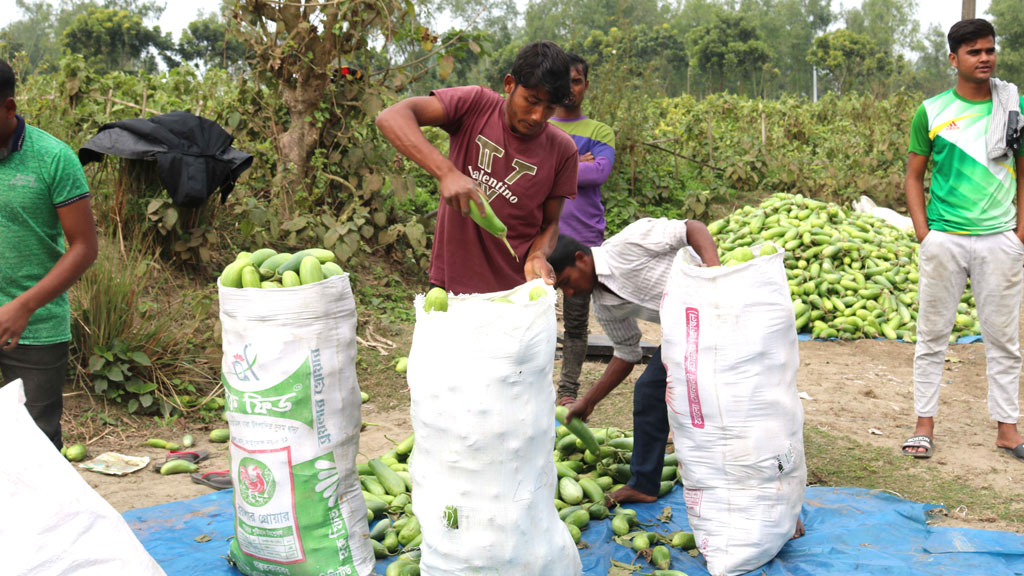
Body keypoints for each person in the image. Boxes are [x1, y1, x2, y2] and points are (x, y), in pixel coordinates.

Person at [901, 19, 1024, 463]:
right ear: (954, 59)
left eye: (989, 50)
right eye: (973, 52)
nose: (985, 58)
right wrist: (924, 234)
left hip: (999, 241)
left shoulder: (1014, 107)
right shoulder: (931, 112)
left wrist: (1018, 236)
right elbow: (914, 176)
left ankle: (1008, 431)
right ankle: (923, 424)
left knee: (1004, 340)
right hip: (945, 240)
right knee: (932, 335)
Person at [375, 41, 579, 295]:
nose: (538, 116)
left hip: (513, 293)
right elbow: (391, 117)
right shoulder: (476, 105)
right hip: (449, 285)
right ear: (509, 84)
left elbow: (550, 224)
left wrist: (538, 255)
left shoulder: (563, 150)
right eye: (532, 100)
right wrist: (446, 172)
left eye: (549, 108)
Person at [551, 218, 720, 504]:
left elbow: (692, 229)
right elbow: (626, 353)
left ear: (581, 259)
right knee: (648, 392)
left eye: (566, 282)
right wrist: (589, 401)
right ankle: (644, 484)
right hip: (685, 332)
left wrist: (715, 276)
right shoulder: (603, 305)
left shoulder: (626, 244)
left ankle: (769, 496)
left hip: (719, 308)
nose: (568, 292)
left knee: (729, 404)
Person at [0, 59, 98, 450]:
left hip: (36, 330)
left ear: (9, 109)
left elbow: (85, 247)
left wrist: (23, 307)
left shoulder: (53, 158)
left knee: (36, 452)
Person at [549, 53, 616, 406]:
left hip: (584, 241)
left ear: (586, 85)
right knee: (535, 317)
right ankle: (530, 382)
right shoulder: (540, 123)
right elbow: (530, 169)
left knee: (576, 323)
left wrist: (555, 164)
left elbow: (599, 174)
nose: (569, 89)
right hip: (541, 239)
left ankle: (567, 391)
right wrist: (576, 161)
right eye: (564, 81)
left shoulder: (599, 131)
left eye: (576, 81)